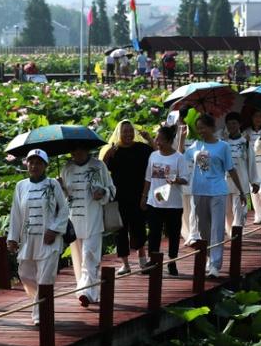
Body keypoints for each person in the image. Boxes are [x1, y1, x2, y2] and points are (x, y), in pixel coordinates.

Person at [6, 149, 70, 325]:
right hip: (28, 239)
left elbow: (64, 210)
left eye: (38, 162)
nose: (34, 166)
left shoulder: (53, 184)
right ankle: (39, 302)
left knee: (45, 278)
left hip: (49, 239)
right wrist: (13, 238)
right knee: (25, 274)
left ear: (45, 165)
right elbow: (16, 213)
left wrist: (54, 229)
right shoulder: (21, 186)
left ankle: (40, 315)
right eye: (31, 162)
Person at [184, 114, 244, 277]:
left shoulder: (222, 146)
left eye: (203, 127)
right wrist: (181, 138)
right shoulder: (196, 145)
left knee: (217, 228)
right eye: (198, 128)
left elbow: (231, 169)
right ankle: (210, 258)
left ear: (211, 127)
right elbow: (182, 158)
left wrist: (241, 191)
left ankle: (215, 265)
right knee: (203, 229)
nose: (200, 131)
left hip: (218, 190)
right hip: (199, 190)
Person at [59, 141, 115, 307]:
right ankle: (89, 291)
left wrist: (102, 192)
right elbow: (63, 197)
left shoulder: (99, 166)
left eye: (80, 148)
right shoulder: (66, 168)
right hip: (73, 218)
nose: (77, 152)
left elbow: (111, 189)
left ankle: (85, 291)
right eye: (74, 149)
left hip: (93, 216)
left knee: (90, 254)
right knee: (79, 257)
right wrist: (60, 187)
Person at [102, 120, 152, 275]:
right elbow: (102, 170)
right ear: (119, 133)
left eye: (131, 131)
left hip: (139, 194)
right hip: (119, 196)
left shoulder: (142, 148)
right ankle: (125, 264)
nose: (128, 134)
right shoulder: (114, 150)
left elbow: (158, 156)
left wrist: (149, 139)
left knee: (139, 227)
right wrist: (107, 155)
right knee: (120, 230)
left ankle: (143, 261)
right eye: (125, 131)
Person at [140, 125, 190, 276]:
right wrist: (144, 196)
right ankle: (153, 261)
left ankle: (172, 261)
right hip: (155, 202)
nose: (157, 142)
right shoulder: (153, 156)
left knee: (173, 234)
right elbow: (148, 178)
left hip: (173, 204)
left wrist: (176, 179)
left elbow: (186, 179)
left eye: (160, 139)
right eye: (156, 138)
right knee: (154, 233)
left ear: (169, 141)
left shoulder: (179, 158)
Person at [221, 112, 257, 231]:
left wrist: (254, 181)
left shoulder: (245, 143)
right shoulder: (222, 143)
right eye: (229, 124)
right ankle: (231, 235)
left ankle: (237, 236)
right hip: (225, 183)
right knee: (227, 212)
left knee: (240, 212)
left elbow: (251, 163)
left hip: (241, 182)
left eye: (234, 123)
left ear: (239, 124)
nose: (231, 126)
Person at [245, 109, 261, 221]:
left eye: (260, 116)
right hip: (252, 165)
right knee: (254, 192)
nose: (258, 119)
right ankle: (258, 215)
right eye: (255, 116)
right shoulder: (247, 132)